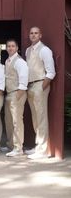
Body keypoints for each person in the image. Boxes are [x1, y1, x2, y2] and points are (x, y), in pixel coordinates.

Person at [26, 27, 56, 159]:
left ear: (40, 35)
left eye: (36, 33)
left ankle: (43, 151)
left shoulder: (44, 50)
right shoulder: (28, 50)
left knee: (41, 118)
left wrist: (41, 87)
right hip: (30, 86)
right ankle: (38, 146)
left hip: (40, 85)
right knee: (35, 118)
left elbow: (51, 72)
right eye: (31, 33)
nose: (33, 35)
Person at [4, 39, 28, 157]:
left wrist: (18, 95)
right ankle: (11, 145)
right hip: (9, 94)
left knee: (16, 121)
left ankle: (18, 148)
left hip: (16, 93)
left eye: (13, 46)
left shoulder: (19, 62)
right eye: (8, 46)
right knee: (9, 121)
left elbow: (23, 80)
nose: (10, 48)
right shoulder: (7, 61)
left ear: (17, 48)